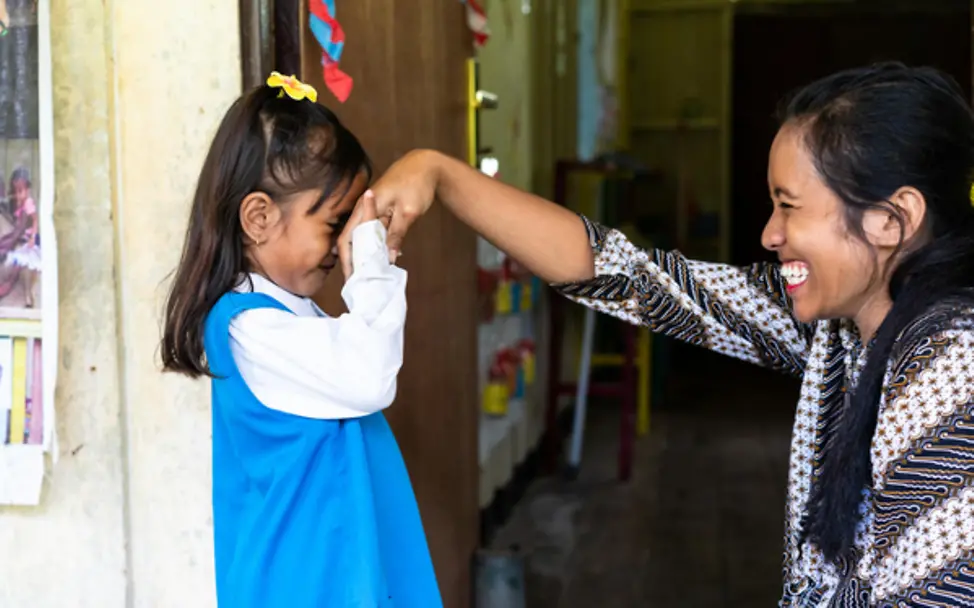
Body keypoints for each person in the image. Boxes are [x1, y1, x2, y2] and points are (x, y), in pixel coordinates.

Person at [354, 62, 974, 607]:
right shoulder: (841, 326)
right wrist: (438, 172)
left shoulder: (948, 366)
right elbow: (628, 276)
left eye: (790, 206)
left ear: (892, 220)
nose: (769, 233)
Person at [160, 73, 441, 608]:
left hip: (332, 573)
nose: (344, 243)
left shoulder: (288, 318)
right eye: (336, 223)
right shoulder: (249, 329)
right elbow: (370, 376)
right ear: (260, 218)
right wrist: (372, 269)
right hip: (305, 583)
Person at [6, 167, 40, 308]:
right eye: (16, 192)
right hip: (20, 235)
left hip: (28, 238)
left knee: (26, 264)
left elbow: (34, 220)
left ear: (27, 190)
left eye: (21, 191)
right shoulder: (19, 204)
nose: (19, 195)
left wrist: (33, 236)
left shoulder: (28, 203)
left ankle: (28, 295)